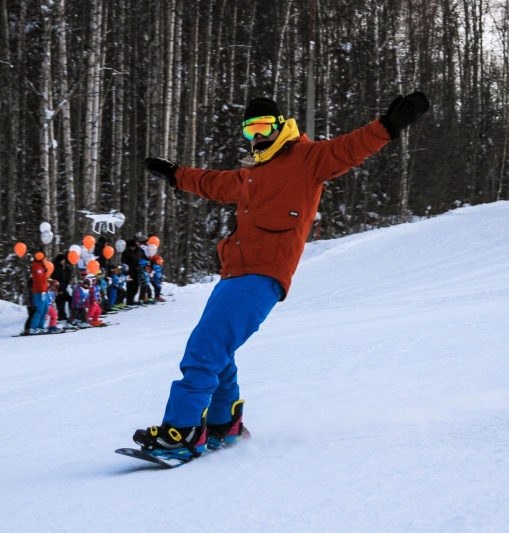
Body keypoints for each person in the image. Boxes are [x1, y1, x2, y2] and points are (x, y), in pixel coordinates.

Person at [132, 93, 429, 460]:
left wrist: (387, 126)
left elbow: (350, 148)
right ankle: (224, 425)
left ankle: (184, 431)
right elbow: (212, 183)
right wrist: (177, 175)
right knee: (218, 349)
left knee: (206, 346)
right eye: (249, 129)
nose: (256, 136)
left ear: (280, 126)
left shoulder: (307, 159)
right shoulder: (250, 174)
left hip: (264, 273)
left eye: (262, 127)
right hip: (233, 272)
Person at [30, 252, 50, 334]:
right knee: (40, 310)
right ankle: (33, 327)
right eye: (44, 258)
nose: (45, 260)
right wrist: (42, 291)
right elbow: (39, 281)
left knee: (45, 309)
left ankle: (41, 326)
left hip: (43, 291)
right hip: (39, 292)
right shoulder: (37, 268)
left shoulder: (41, 267)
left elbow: (43, 279)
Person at [121, 238, 146, 305]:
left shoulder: (139, 251)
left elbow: (144, 257)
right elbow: (124, 262)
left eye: (134, 246)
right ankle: (129, 300)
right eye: (131, 247)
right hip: (129, 271)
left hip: (137, 271)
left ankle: (132, 299)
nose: (133, 248)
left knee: (136, 286)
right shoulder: (126, 253)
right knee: (130, 286)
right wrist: (126, 272)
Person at [52, 254, 73, 321]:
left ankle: (62, 315)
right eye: (63, 260)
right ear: (61, 260)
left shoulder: (59, 267)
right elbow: (57, 279)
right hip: (60, 288)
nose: (64, 261)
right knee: (67, 299)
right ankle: (66, 315)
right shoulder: (57, 268)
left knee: (62, 301)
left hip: (62, 287)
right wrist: (60, 288)